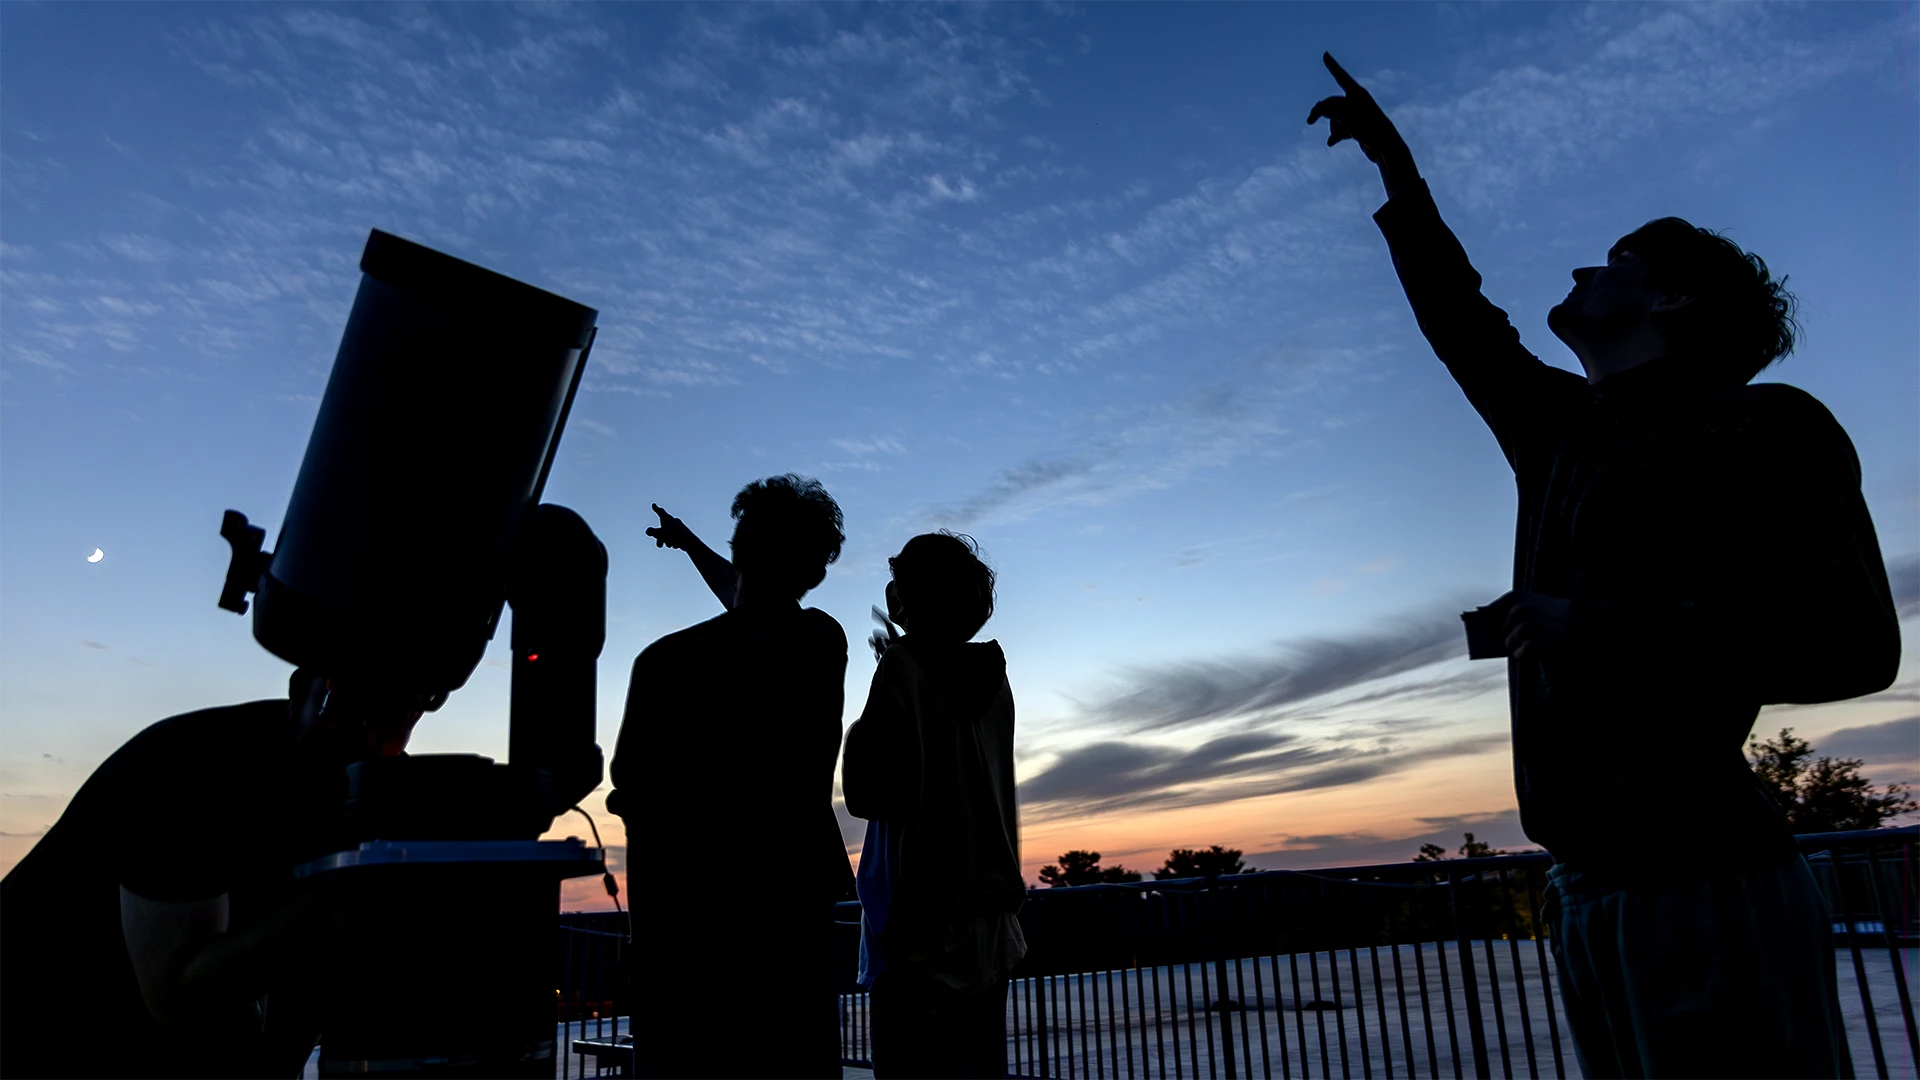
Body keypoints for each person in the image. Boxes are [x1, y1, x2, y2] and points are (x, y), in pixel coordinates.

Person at [1309, 52, 1899, 1078]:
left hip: (1708, 890)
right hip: (1587, 895)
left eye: (1613, 259)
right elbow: (1461, 319)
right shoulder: (1561, 429)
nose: (1583, 271)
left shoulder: (1766, 425)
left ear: (1670, 299)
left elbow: (1854, 646)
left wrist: (1601, 625)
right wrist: (1398, 175)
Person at [0, 668, 427, 1078]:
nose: (365, 736)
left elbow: (312, 972)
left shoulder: (368, 787)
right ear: (300, 688)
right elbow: (174, 994)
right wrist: (337, 900)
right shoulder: (190, 767)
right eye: (341, 709)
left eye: (396, 718)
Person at [608, 474, 852, 1079]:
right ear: (817, 572)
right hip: (795, 926)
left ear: (739, 549)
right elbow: (759, 609)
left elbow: (634, 793)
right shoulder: (822, 641)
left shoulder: (665, 662)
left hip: (687, 941)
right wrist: (695, 548)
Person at [842, 532, 1026, 1080]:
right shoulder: (994, 680)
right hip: (991, 928)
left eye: (896, 584)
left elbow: (866, 793)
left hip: (922, 932)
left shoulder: (902, 666)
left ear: (907, 600)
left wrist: (877, 699)